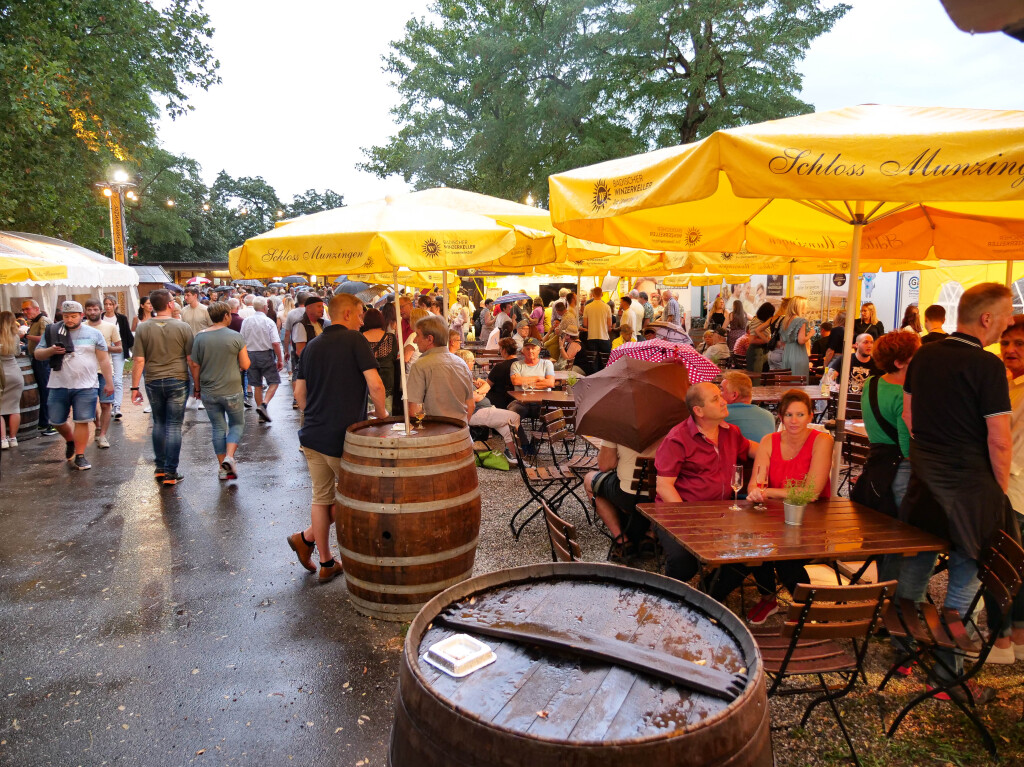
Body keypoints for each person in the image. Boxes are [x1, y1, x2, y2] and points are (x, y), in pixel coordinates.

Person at [898, 282, 1018, 702]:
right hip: (971, 485)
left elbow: (910, 416)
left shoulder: (923, 355)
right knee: (965, 578)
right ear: (987, 319)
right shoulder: (986, 366)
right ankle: (947, 674)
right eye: (1005, 316)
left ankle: (904, 651)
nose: (1008, 323)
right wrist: (997, 491)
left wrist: (932, 452)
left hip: (925, 477)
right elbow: (999, 440)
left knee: (917, 562)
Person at [287, 293, 388, 584]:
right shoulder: (356, 341)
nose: (362, 320)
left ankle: (324, 559)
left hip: (312, 434)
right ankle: (349, 557)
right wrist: (382, 417)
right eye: (359, 315)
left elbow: (299, 395)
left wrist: (318, 412)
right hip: (341, 436)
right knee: (353, 500)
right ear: (346, 314)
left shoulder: (312, 345)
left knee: (321, 498)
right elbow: (376, 385)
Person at [744, 389, 833, 622]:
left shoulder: (822, 440)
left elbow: (812, 493)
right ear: (781, 417)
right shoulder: (769, 440)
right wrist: (761, 492)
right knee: (755, 545)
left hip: (811, 517)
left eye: (800, 414)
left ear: (811, 416)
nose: (794, 421)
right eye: (789, 415)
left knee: (786, 556)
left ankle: (804, 606)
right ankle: (768, 598)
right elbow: (754, 484)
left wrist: (767, 492)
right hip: (773, 515)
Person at [654, 382, 755, 588]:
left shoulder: (731, 432)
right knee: (685, 560)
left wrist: (793, 448)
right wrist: (689, 524)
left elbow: (759, 450)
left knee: (750, 552)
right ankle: (669, 595)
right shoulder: (678, 438)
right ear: (698, 410)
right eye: (716, 399)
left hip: (720, 514)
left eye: (721, 395)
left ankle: (709, 594)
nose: (724, 401)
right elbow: (664, 487)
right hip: (678, 514)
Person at [857, 331, 920, 587]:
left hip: (876, 466)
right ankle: (893, 599)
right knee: (903, 535)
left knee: (886, 532)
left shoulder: (871, 383)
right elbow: (907, 447)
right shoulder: (904, 395)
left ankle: (884, 590)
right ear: (900, 362)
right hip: (901, 470)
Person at [34, 301, 114, 471]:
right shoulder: (52, 331)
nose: (69, 319)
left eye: (73, 316)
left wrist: (109, 382)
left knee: (82, 420)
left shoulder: (93, 334)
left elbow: (104, 360)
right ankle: (70, 440)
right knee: (56, 420)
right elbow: (38, 354)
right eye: (66, 316)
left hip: (86, 385)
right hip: (58, 384)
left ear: (81, 315)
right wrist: (51, 351)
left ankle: (80, 455)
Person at [131, 290, 195, 486]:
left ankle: (160, 467)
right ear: (169, 305)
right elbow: (191, 359)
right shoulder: (183, 327)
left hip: (153, 379)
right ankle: (171, 472)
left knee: (158, 423)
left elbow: (139, 360)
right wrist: (198, 385)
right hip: (178, 378)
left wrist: (134, 387)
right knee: (174, 425)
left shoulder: (142, 328)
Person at [189, 301, 250, 480]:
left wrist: (197, 388)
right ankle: (230, 458)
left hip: (209, 389)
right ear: (225, 316)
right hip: (231, 388)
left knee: (217, 427)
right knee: (237, 424)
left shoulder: (200, 337)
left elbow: (194, 364)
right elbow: (245, 364)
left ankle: (223, 468)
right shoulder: (235, 337)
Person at [585, 433, 663, 562]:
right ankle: (651, 535)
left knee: (589, 480)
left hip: (626, 495)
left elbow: (605, 466)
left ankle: (622, 541)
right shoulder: (672, 422)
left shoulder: (618, 424)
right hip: (659, 495)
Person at [996, 316, 1024, 662]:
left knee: (1001, 566)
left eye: (1019, 344)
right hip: (1007, 487)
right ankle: (1015, 636)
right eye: (1005, 343)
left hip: (1011, 487)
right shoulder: (1005, 382)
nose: (1011, 350)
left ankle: (1002, 641)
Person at [457, 350, 520, 465]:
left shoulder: (466, 375)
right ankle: (517, 450)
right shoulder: (460, 377)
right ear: (464, 362)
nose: (473, 363)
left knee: (507, 429)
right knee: (515, 416)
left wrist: (479, 391)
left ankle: (515, 457)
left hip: (485, 409)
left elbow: (482, 390)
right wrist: (481, 393)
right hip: (476, 412)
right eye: (471, 361)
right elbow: (474, 397)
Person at [84, 299, 121, 449]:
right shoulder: (81, 327)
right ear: (85, 312)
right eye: (89, 310)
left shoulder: (110, 327)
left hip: (105, 371)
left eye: (95, 309)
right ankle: (97, 425)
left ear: (101, 311)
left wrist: (105, 347)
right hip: (86, 372)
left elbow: (119, 348)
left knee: (106, 404)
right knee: (91, 404)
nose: (92, 312)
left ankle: (103, 435)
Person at [240, 296, 283, 423]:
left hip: (250, 354)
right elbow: (275, 342)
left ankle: (261, 414)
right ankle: (263, 405)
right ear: (265, 307)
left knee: (257, 385)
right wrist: (280, 359)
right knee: (274, 381)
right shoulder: (269, 322)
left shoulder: (246, 321)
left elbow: (241, 340)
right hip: (265, 354)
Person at [21, 299, 56, 436]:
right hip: (36, 358)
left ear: (36, 308)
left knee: (46, 390)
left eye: (27, 309)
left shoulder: (44, 321)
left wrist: (25, 336)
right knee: (41, 390)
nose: (25, 312)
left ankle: (51, 422)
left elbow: (44, 338)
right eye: (23, 310)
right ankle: (43, 421)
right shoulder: (34, 322)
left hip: (44, 359)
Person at [101, 295, 133, 420]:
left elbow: (127, 335)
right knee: (107, 377)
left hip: (118, 350)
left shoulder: (121, 318)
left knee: (118, 379)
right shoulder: (101, 318)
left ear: (115, 305)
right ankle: (108, 403)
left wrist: (130, 350)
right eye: (106, 304)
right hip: (104, 352)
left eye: (110, 304)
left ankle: (117, 406)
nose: (108, 306)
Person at [721, 371, 776, 442]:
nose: (719, 393)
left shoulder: (721, 416)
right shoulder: (769, 416)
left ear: (734, 395)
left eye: (721, 389)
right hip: (763, 452)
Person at [361, 307, 397, 413]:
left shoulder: (361, 338)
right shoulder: (390, 337)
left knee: (369, 414)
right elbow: (394, 356)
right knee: (387, 413)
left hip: (367, 381)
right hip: (387, 380)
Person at [0, 312, 25, 449]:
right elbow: (16, 353)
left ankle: (3, 440)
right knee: (14, 408)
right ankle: (13, 439)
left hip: (1, 373)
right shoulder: (15, 336)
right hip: (14, 372)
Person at [779, 295, 810, 378]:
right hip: (798, 354)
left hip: (787, 353)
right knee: (799, 382)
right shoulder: (801, 321)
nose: (807, 306)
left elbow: (782, 341)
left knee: (787, 381)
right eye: (805, 304)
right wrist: (811, 333)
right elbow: (801, 340)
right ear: (800, 306)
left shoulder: (785, 321)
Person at [582, 287, 612, 364]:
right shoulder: (607, 307)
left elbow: (585, 324)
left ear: (593, 295)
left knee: (593, 362)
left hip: (591, 337)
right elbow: (609, 324)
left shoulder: (587, 307)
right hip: (604, 337)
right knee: (605, 362)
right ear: (602, 294)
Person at [745, 302, 774, 374]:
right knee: (756, 377)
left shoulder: (761, 321)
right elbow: (752, 340)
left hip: (761, 351)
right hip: (756, 352)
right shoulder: (757, 321)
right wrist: (767, 340)